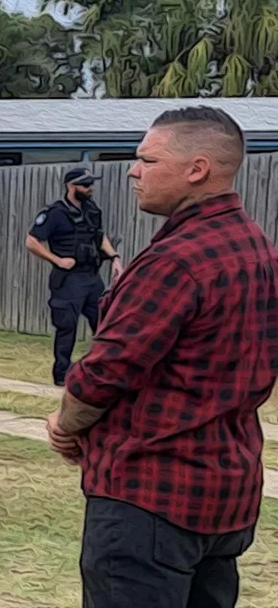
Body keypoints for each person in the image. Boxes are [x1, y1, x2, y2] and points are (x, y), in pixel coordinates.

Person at [46, 106, 278, 607]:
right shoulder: (258, 249)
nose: (133, 170)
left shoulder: (177, 260)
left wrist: (67, 424)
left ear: (197, 169)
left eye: (148, 160)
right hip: (227, 494)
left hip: (151, 495)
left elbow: (106, 371)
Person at [26, 165, 123, 386]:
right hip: (68, 280)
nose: (90, 189)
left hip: (91, 277)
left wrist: (115, 257)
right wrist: (57, 260)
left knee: (103, 324)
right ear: (71, 186)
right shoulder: (54, 213)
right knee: (66, 327)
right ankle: (61, 373)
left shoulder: (92, 209)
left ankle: (103, 370)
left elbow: (99, 236)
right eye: (85, 185)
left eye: (91, 184)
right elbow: (31, 241)